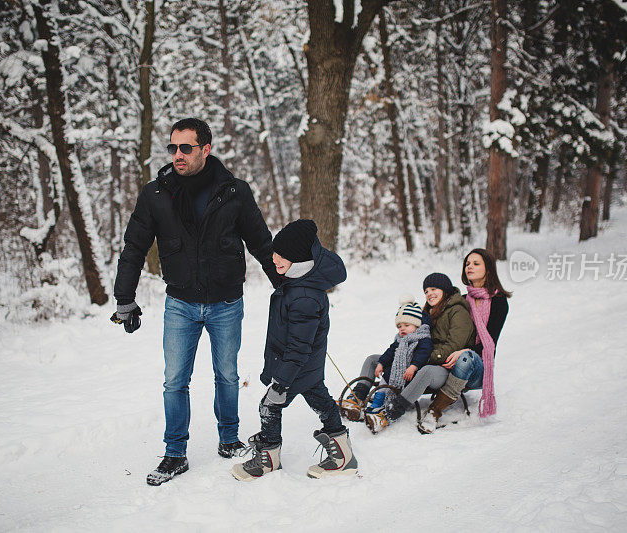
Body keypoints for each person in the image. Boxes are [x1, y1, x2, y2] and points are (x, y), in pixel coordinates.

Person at [111, 118, 282, 486]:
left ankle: (228, 440)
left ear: (206, 149)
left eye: (185, 148)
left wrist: (285, 287)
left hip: (225, 303)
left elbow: (260, 242)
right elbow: (134, 247)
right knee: (174, 381)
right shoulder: (156, 194)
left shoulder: (234, 192)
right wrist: (125, 297)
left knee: (227, 375)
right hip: (180, 304)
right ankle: (174, 454)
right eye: (172, 148)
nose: (177, 155)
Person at [232, 219, 357, 480]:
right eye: (276, 252)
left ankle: (268, 458)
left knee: (269, 405)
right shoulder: (298, 282)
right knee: (320, 400)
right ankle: (343, 451)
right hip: (305, 367)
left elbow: (299, 346)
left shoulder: (304, 297)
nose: (275, 259)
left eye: (283, 256)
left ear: (300, 261)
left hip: (297, 367)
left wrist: (281, 382)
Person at [360, 273, 476, 433]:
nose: (429, 294)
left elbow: (455, 345)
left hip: (444, 368)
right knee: (374, 359)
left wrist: (421, 358)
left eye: (434, 289)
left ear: (445, 289)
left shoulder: (457, 312)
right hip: (419, 360)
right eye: (426, 291)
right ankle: (356, 399)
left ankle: (392, 411)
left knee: (426, 371)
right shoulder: (428, 312)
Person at [417, 248, 511, 433]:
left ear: (488, 269)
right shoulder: (462, 299)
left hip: (477, 366)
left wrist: (463, 351)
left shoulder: (499, 301)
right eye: (467, 263)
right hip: (452, 357)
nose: (470, 267)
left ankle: (434, 412)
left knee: (465, 358)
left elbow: (489, 341)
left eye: (476, 264)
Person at [338, 297, 432, 421]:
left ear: (416, 325)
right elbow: (390, 352)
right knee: (383, 382)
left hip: (410, 374)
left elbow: (423, 354)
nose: (402, 329)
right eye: (399, 326)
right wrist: (381, 363)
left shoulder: (423, 339)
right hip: (394, 371)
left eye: (406, 325)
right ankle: (375, 404)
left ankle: (388, 407)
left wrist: (413, 366)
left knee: (389, 385)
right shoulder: (400, 340)